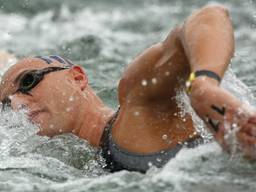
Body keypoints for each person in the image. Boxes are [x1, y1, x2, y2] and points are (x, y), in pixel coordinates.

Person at [1, 4, 256, 173]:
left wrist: (204, 85)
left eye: (28, 82)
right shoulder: (85, 160)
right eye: (5, 104)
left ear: (77, 78)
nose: (16, 103)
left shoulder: (138, 107)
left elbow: (209, 16)